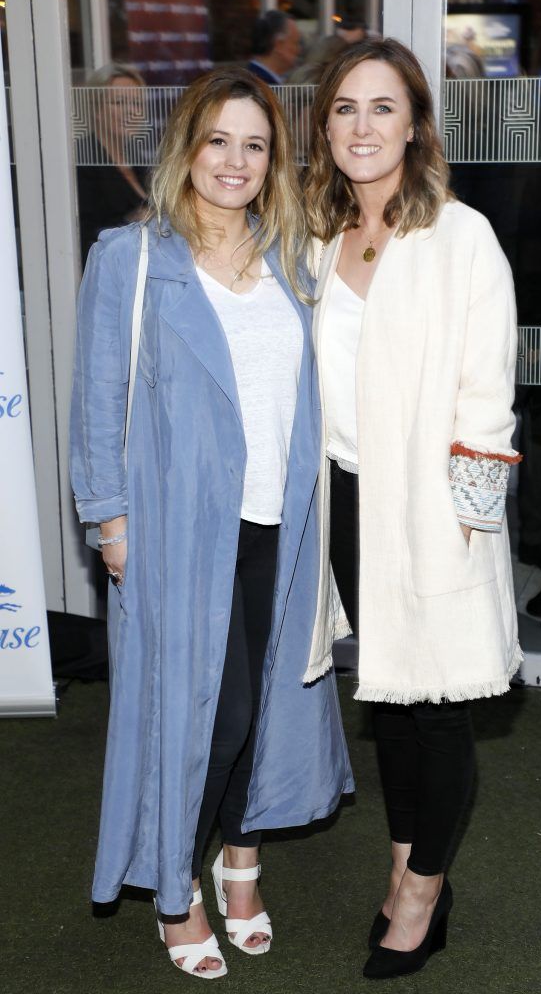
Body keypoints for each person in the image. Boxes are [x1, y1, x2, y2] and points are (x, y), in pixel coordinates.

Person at [70, 66, 353, 980]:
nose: (235, 161)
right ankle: (174, 888)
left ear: (274, 161)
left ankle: (243, 865)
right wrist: (110, 525)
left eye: (256, 144)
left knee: (270, 708)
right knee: (213, 715)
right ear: (187, 145)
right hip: (180, 532)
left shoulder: (293, 254)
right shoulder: (133, 258)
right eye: (218, 140)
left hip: (286, 521)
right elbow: (97, 401)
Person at [303, 38, 522, 980]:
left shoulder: (461, 235)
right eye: (345, 108)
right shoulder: (315, 234)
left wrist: (465, 523)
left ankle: (424, 895)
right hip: (345, 499)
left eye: (382, 107)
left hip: (433, 510)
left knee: (436, 710)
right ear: (325, 127)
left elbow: (488, 389)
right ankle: (404, 868)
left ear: (416, 123)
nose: (363, 126)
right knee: (387, 698)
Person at [76, 63, 148, 265]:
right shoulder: (82, 160)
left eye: (136, 104)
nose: (131, 112)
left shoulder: (136, 155)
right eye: (118, 102)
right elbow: (80, 236)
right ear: (96, 109)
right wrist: (133, 221)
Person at [247, 10, 301, 84]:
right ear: (278, 45)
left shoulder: (253, 78)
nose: (298, 50)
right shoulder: (259, 86)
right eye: (295, 42)